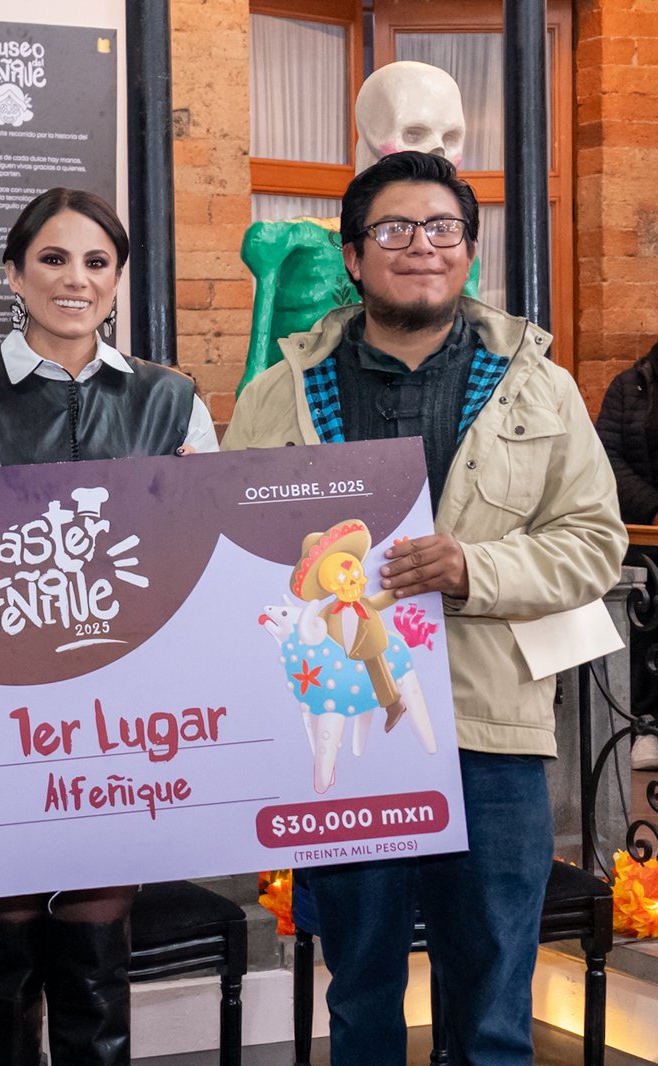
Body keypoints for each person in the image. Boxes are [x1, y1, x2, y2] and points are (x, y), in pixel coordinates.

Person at [224, 150, 626, 1066]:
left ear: (469, 252)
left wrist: (473, 568)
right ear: (354, 256)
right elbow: (236, 552)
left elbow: (594, 543)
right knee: (360, 992)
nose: (421, 246)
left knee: (492, 1004)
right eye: (395, 228)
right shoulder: (278, 393)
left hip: (491, 731)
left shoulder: (539, 386)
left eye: (443, 228)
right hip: (351, 731)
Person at [0, 187, 216, 1066]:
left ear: (116, 282)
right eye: (53, 258)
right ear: (13, 273)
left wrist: (204, 509)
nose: (75, 279)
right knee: (1, 946)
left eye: (96, 262)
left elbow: (200, 574)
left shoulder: (173, 399)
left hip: (122, 712)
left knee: (95, 948)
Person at [595, 340, 658, 769]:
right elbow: (608, 459)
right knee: (646, 630)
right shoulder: (629, 385)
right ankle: (648, 728)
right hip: (646, 540)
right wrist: (653, 509)